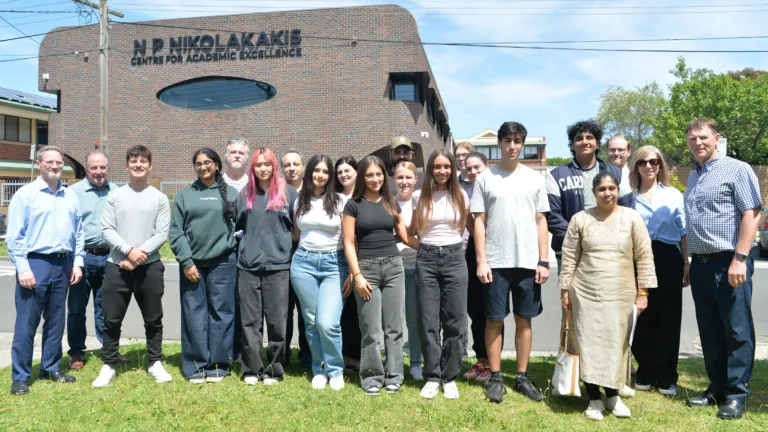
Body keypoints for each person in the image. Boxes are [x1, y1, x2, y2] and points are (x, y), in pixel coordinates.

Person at [559, 172, 656, 421]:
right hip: (585, 292)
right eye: (602, 188)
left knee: (616, 344)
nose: (607, 193)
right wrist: (565, 290)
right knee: (588, 343)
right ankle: (593, 398)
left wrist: (643, 292)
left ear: (618, 190)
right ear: (594, 192)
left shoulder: (631, 218)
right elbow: (569, 257)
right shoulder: (580, 219)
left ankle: (613, 396)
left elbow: (644, 256)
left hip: (621, 292)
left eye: (612, 188)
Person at [683, 118, 761, 420]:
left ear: (717, 138)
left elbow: (752, 213)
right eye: (692, 139)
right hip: (702, 265)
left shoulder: (736, 169)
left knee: (737, 330)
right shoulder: (694, 175)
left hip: (729, 261)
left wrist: (740, 258)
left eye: (703, 137)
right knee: (710, 330)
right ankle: (716, 387)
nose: (697, 142)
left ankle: (736, 394)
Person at [470, 122, 550, 404]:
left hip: (528, 263)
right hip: (496, 261)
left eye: (517, 141)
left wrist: (544, 260)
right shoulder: (486, 179)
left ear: (523, 144)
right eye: (507, 140)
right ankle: (495, 377)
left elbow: (542, 220)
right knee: (494, 320)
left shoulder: (535, 179)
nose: (512, 146)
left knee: (523, 320)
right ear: (500, 143)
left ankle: (522, 376)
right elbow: (478, 222)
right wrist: (481, 260)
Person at [7, 146, 84, 396]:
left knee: (55, 321)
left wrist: (78, 262)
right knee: (27, 323)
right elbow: (14, 236)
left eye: (59, 162)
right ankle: (21, 376)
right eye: (49, 161)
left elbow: (79, 233)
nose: (55, 165)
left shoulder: (70, 195)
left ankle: (51, 367)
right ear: (39, 163)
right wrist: (23, 268)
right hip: (35, 263)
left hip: (63, 264)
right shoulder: (26, 195)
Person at [93, 145, 172, 388]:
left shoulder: (158, 198)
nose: (138, 165)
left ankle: (155, 362)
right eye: (134, 161)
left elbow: (162, 233)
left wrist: (138, 255)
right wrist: (128, 250)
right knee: (112, 318)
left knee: (153, 317)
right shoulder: (115, 197)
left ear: (151, 164)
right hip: (117, 266)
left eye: (142, 161)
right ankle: (109, 364)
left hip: (149, 267)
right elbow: (107, 230)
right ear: (127, 165)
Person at [342, 155, 419, 395]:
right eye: (370, 175)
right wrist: (357, 275)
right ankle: (372, 378)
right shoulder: (353, 205)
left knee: (394, 328)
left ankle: (395, 376)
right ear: (363, 177)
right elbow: (348, 242)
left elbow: (404, 237)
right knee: (371, 330)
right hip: (367, 271)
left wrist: (434, 247)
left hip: (394, 267)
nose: (375, 179)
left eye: (378, 175)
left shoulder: (390, 202)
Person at [170, 148, 238, 383]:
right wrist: (187, 262)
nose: (203, 167)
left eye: (207, 162)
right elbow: (176, 232)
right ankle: (196, 365)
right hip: (193, 265)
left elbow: (241, 227)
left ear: (217, 165)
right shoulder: (185, 195)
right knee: (194, 314)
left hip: (223, 263)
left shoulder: (231, 193)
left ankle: (219, 364)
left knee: (221, 314)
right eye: (198, 164)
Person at [628, 145, 689, 397]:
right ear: (636, 167)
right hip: (638, 257)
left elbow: (683, 230)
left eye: (654, 161)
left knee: (668, 317)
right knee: (641, 316)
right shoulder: (628, 197)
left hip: (668, 257)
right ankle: (645, 370)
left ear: (660, 165)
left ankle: (666, 375)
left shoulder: (674, 194)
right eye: (643, 162)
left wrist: (687, 262)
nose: (649, 166)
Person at [237, 147, 298, 385]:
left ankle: (274, 369)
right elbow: (238, 225)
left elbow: (297, 227)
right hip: (248, 267)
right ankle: (251, 369)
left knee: (276, 320)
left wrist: (282, 248)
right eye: (258, 165)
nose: (263, 168)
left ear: (274, 167)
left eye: (267, 164)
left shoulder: (288, 193)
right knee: (250, 321)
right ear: (253, 168)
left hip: (278, 267)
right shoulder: (244, 195)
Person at [411, 150, 469, 399]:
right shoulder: (418, 197)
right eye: (437, 167)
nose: (442, 171)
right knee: (428, 320)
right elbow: (413, 230)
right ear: (430, 169)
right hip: (426, 258)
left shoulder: (460, 195)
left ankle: (450, 376)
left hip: (455, 257)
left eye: (447, 166)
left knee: (455, 320)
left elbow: (463, 227)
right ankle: (433, 376)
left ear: (452, 168)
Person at [291, 154, 349, 391]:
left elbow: (348, 237)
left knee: (328, 322)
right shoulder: (299, 200)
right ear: (310, 173)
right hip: (303, 263)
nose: (321, 175)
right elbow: (296, 233)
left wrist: (353, 272)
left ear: (330, 176)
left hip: (334, 263)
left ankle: (335, 370)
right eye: (317, 170)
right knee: (312, 321)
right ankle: (320, 368)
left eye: (325, 171)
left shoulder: (340, 201)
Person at [546, 120, 634, 271]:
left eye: (589, 137)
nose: (584, 142)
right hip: (570, 252)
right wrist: (579, 237)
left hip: (610, 250)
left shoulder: (617, 174)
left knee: (608, 294)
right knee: (571, 295)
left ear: (598, 143)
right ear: (572, 145)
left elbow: (629, 211)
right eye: (579, 138)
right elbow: (552, 214)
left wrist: (603, 237)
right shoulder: (556, 175)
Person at [67, 150, 126, 370]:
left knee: (107, 307)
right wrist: (74, 260)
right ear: (87, 168)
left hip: (110, 258)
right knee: (76, 307)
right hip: (82, 258)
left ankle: (109, 350)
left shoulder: (118, 192)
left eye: (103, 167)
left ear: (108, 169)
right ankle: (76, 352)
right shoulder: (73, 193)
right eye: (94, 167)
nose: (98, 172)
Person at [461, 152, 497, 382]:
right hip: (473, 254)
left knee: (493, 312)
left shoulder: (497, 189)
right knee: (475, 311)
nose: (473, 172)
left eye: (477, 167)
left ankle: (493, 363)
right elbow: (470, 224)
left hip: (498, 255)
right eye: (469, 169)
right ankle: (481, 359)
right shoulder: (467, 195)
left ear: (487, 166)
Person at [393, 160, 423, 381]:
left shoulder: (422, 203)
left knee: (414, 319)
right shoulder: (387, 203)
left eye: (408, 177)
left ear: (416, 179)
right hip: (391, 268)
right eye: (399, 177)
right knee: (391, 320)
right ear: (394, 179)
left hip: (416, 267)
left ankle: (415, 363)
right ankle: (391, 361)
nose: (404, 181)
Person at [281, 148, 311, 370]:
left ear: (303, 167)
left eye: (295, 164)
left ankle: (307, 355)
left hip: (308, 257)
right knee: (283, 308)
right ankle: (282, 353)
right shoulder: (277, 193)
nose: (291, 168)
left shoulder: (312, 192)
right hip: (282, 257)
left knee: (305, 308)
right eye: (287, 165)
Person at [334, 156, 361, 375]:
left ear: (356, 172)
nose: (343, 174)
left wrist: (355, 270)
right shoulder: (333, 199)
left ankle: (358, 357)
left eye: (347, 170)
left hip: (361, 260)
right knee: (342, 311)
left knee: (360, 311)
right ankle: (344, 356)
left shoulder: (363, 198)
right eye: (340, 171)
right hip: (337, 259)